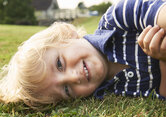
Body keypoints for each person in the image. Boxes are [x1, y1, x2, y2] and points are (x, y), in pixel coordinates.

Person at [0, 0, 166, 108]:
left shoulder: (116, 21)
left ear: (67, 34)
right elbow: (162, 97)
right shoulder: (112, 91)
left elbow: (159, 12)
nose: (73, 77)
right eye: (66, 89)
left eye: (60, 64)